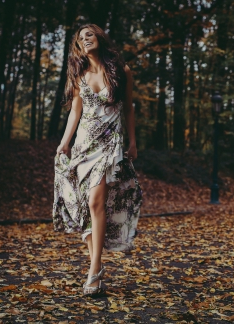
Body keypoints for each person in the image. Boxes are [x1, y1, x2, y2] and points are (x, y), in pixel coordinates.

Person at [52, 24, 143, 297]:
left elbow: (128, 109)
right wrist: (65, 142)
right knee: (83, 206)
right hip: (83, 145)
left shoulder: (121, 72)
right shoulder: (80, 74)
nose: (85, 40)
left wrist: (133, 141)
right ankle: (97, 265)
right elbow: (75, 112)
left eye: (89, 35)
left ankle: (94, 271)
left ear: (100, 38)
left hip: (109, 144)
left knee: (95, 202)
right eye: (80, 38)